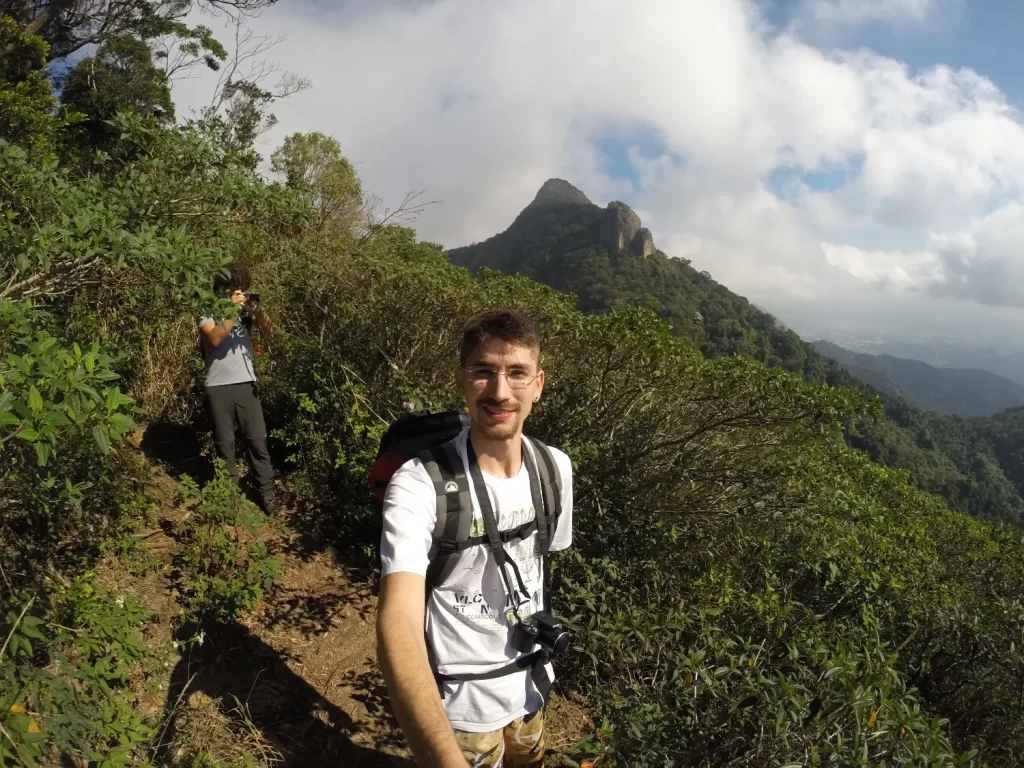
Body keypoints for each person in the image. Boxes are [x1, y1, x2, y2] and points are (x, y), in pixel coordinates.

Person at [377, 309, 574, 767]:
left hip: (531, 686)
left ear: (539, 384)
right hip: (463, 708)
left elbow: (540, 565)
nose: (501, 391)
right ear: (461, 381)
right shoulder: (419, 484)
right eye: (484, 372)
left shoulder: (555, 468)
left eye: (517, 374)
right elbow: (398, 621)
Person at [198, 263, 277, 513]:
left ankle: (267, 497)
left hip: (245, 382)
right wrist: (232, 310)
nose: (240, 294)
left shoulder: (245, 312)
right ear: (223, 289)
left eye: (242, 290)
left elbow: (271, 330)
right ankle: (229, 501)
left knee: (257, 441)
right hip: (217, 386)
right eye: (235, 290)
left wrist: (256, 310)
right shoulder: (207, 310)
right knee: (225, 445)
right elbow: (215, 337)